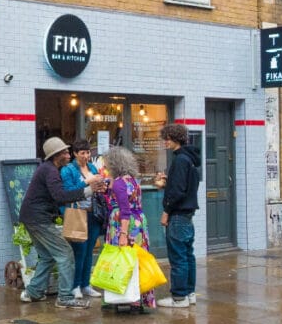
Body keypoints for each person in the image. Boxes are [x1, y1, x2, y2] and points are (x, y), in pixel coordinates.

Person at [18, 136, 103, 309]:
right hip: (39, 219)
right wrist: (88, 190)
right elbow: (61, 196)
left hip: (33, 218)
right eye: (65, 152)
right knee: (65, 254)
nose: (68, 154)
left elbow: (57, 196)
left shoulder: (49, 169)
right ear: (56, 155)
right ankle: (64, 297)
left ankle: (33, 292)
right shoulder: (50, 171)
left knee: (48, 256)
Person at [103, 145, 156, 310]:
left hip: (123, 224)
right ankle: (138, 296)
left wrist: (123, 233)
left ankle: (124, 296)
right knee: (135, 259)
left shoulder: (119, 183)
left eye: (107, 164)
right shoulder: (132, 180)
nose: (105, 167)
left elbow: (124, 210)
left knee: (121, 260)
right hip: (139, 222)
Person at [155, 123, 201, 308]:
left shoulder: (180, 160)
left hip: (178, 216)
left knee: (178, 258)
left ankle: (179, 297)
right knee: (188, 256)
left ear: (175, 139)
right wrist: (169, 182)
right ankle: (189, 294)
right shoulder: (189, 159)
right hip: (187, 216)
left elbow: (178, 191)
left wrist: (166, 211)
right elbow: (184, 187)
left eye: (167, 138)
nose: (165, 142)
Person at [60, 139, 107, 299]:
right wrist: (88, 181)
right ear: (75, 154)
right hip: (77, 214)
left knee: (89, 252)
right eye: (82, 153)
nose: (86, 156)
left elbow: (97, 187)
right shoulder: (68, 170)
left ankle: (86, 284)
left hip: (93, 213)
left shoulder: (92, 167)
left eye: (87, 153)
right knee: (79, 251)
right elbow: (67, 191)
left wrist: (102, 185)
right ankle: (75, 286)